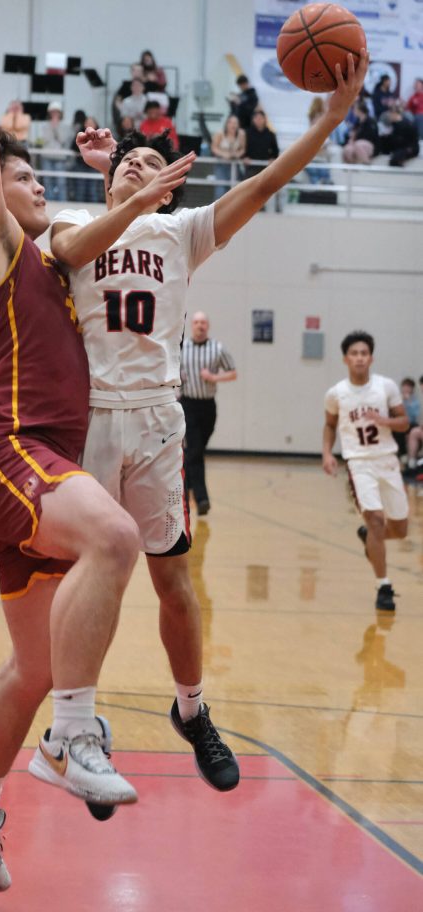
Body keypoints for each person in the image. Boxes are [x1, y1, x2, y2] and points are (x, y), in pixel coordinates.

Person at [49, 44, 368, 800]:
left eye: (150, 162)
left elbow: (263, 183)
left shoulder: (180, 231)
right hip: (89, 419)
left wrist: (324, 123)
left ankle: (191, 709)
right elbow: (69, 246)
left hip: (158, 421)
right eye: (125, 159)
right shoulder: (71, 222)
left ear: (168, 190)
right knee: (82, 583)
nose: (135, 164)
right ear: (105, 175)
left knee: (174, 582)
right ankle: (78, 729)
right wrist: (117, 188)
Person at [0, 0, 143, 893]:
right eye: (20, 173)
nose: (31, 178)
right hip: (9, 455)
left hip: (42, 458)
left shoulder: (49, 263)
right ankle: (74, 734)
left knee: (30, 664)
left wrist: (125, 186)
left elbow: (105, 233)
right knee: (117, 537)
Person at [322, 331, 409, 612]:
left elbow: (404, 423)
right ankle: (383, 585)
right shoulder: (336, 393)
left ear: (370, 358)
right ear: (346, 359)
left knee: (399, 528)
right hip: (359, 463)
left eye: (364, 353)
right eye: (354, 354)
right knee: (374, 519)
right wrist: (327, 453)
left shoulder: (385, 387)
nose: (359, 358)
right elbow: (330, 426)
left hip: (387, 461)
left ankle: (370, 539)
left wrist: (384, 419)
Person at [179, 312, 237, 515]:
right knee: (194, 449)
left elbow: (233, 372)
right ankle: (201, 499)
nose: (199, 325)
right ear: (191, 325)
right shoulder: (181, 347)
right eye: (196, 322)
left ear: (208, 326)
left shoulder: (217, 348)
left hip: (208, 406)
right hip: (187, 404)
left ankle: (186, 491)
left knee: (194, 451)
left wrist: (213, 377)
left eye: (203, 322)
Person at [38, 101, 71, 201]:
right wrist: (51, 126)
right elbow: (45, 139)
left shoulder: (65, 126)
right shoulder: (45, 125)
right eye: (52, 112)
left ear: (60, 113)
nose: (54, 114)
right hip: (47, 156)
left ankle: (62, 203)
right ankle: (48, 202)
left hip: (60, 157)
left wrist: (56, 127)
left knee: (61, 182)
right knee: (47, 182)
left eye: (56, 112)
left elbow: (62, 139)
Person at [211, 114, 245, 198]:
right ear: (227, 124)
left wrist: (236, 155)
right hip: (221, 164)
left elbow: (243, 149)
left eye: (235, 123)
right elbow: (214, 148)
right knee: (221, 188)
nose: (233, 125)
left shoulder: (241, 134)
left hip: (234, 164)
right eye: (231, 123)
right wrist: (224, 154)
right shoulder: (220, 133)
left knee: (235, 188)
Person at [379, 103, 420, 167]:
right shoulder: (393, 125)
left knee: (397, 156)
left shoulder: (407, 124)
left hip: (408, 148)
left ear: (394, 114)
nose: (389, 116)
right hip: (399, 147)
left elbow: (406, 141)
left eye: (390, 114)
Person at [305, 98, 333, 184]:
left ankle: (321, 187)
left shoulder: (322, 135)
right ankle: (319, 187)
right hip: (316, 157)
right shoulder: (311, 135)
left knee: (322, 170)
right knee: (316, 170)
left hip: (319, 156)